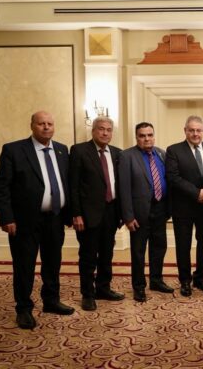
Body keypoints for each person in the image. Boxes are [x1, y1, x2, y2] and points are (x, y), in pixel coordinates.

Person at [0, 111, 75, 329]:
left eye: (50, 123)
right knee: (24, 266)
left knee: (53, 263)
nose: (46, 127)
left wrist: (69, 213)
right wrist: (6, 217)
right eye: (41, 123)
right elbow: (1, 187)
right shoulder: (14, 150)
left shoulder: (62, 150)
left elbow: (67, 183)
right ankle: (23, 308)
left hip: (55, 218)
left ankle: (51, 301)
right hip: (24, 221)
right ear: (32, 126)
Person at [70, 116, 124, 311]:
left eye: (109, 130)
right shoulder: (79, 151)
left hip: (111, 212)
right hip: (88, 215)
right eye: (101, 129)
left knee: (107, 254)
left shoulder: (117, 153)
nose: (105, 133)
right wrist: (76, 214)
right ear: (93, 131)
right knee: (88, 256)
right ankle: (88, 294)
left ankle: (103, 288)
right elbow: (73, 186)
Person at [119, 122, 174, 302]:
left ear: (154, 136)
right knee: (138, 252)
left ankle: (156, 280)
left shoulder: (162, 154)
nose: (146, 139)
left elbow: (168, 181)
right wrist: (128, 216)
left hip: (160, 210)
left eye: (150, 135)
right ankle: (139, 286)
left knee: (159, 248)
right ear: (137, 137)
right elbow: (124, 188)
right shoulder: (127, 156)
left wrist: (168, 210)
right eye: (142, 136)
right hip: (139, 213)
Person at [165, 116, 203, 297]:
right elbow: (173, 177)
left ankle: (200, 278)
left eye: (198, 130)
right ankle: (185, 281)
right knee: (183, 246)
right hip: (183, 207)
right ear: (185, 131)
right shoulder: (174, 150)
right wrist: (196, 193)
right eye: (191, 130)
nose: (195, 133)